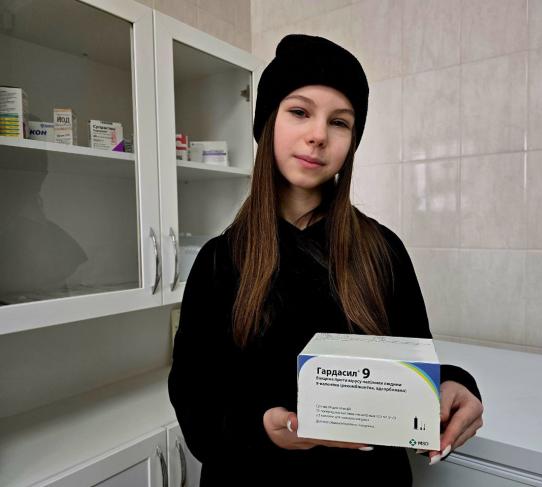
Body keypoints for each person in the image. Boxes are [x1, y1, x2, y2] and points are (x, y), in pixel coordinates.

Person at [168, 34, 484, 486]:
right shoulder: (218, 262)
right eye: (299, 112)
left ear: (352, 141)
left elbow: (413, 366)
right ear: (268, 122)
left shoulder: (383, 251)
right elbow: (194, 403)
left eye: (339, 122)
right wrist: (264, 428)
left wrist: (454, 384)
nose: (318, 135)